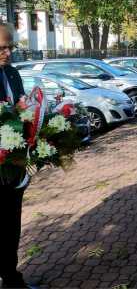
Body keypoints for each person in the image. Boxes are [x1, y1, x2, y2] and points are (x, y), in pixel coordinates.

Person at [0, 23, 36, 289]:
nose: (8, 53)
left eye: (10, 47)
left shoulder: (12, 73)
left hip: (15, 165)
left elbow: (22, 106)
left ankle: (12, 278)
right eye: (1, 48)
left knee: (12, 226)